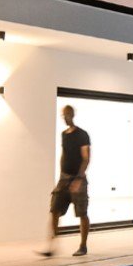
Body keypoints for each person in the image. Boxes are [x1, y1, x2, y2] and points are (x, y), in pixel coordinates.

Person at [40, 105, 91, 257]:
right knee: (54, 210)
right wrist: (62, 176)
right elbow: (64, 155)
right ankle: (51, 246)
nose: (65, 118)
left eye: (67, 115)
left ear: (72, 115)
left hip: (78, 179)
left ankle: (83, 246)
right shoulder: (64, 134)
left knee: (82, 213)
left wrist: (79, 179)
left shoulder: (82, 134)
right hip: (64, 179)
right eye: (63, 115)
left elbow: (86, 158)